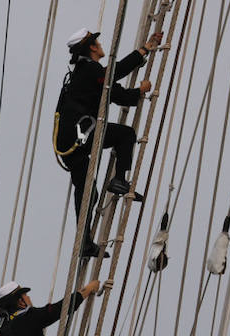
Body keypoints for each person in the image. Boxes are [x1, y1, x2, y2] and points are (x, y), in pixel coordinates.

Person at [53, 27, 163, 257]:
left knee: (88, 193)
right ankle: (120, 179)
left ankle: (84, 243)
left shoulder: (84, 73)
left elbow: (114, 85)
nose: (101, 46)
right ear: (92, 47)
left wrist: (142, 60)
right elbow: (114, 80)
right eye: (97, 43)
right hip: (80, 135)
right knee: (126, 135)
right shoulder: (90, 69)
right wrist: (140, 82)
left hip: (70, 143)